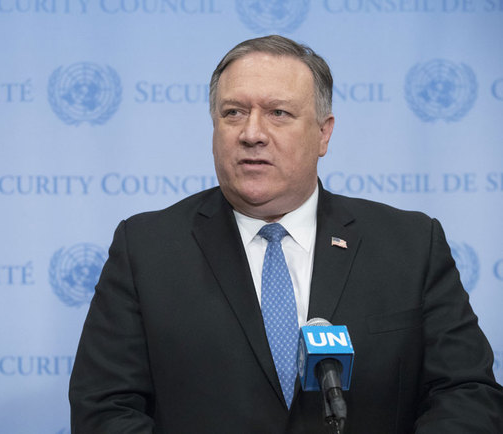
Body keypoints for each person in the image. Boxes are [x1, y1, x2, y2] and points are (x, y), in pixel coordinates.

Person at [69, 35, 503, 433]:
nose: (252, 134)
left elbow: (468, 395)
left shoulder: (410, 245)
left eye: (278, 113)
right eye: (233, 113)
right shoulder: (147, 248)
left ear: (323, 133)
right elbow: (104, 409)